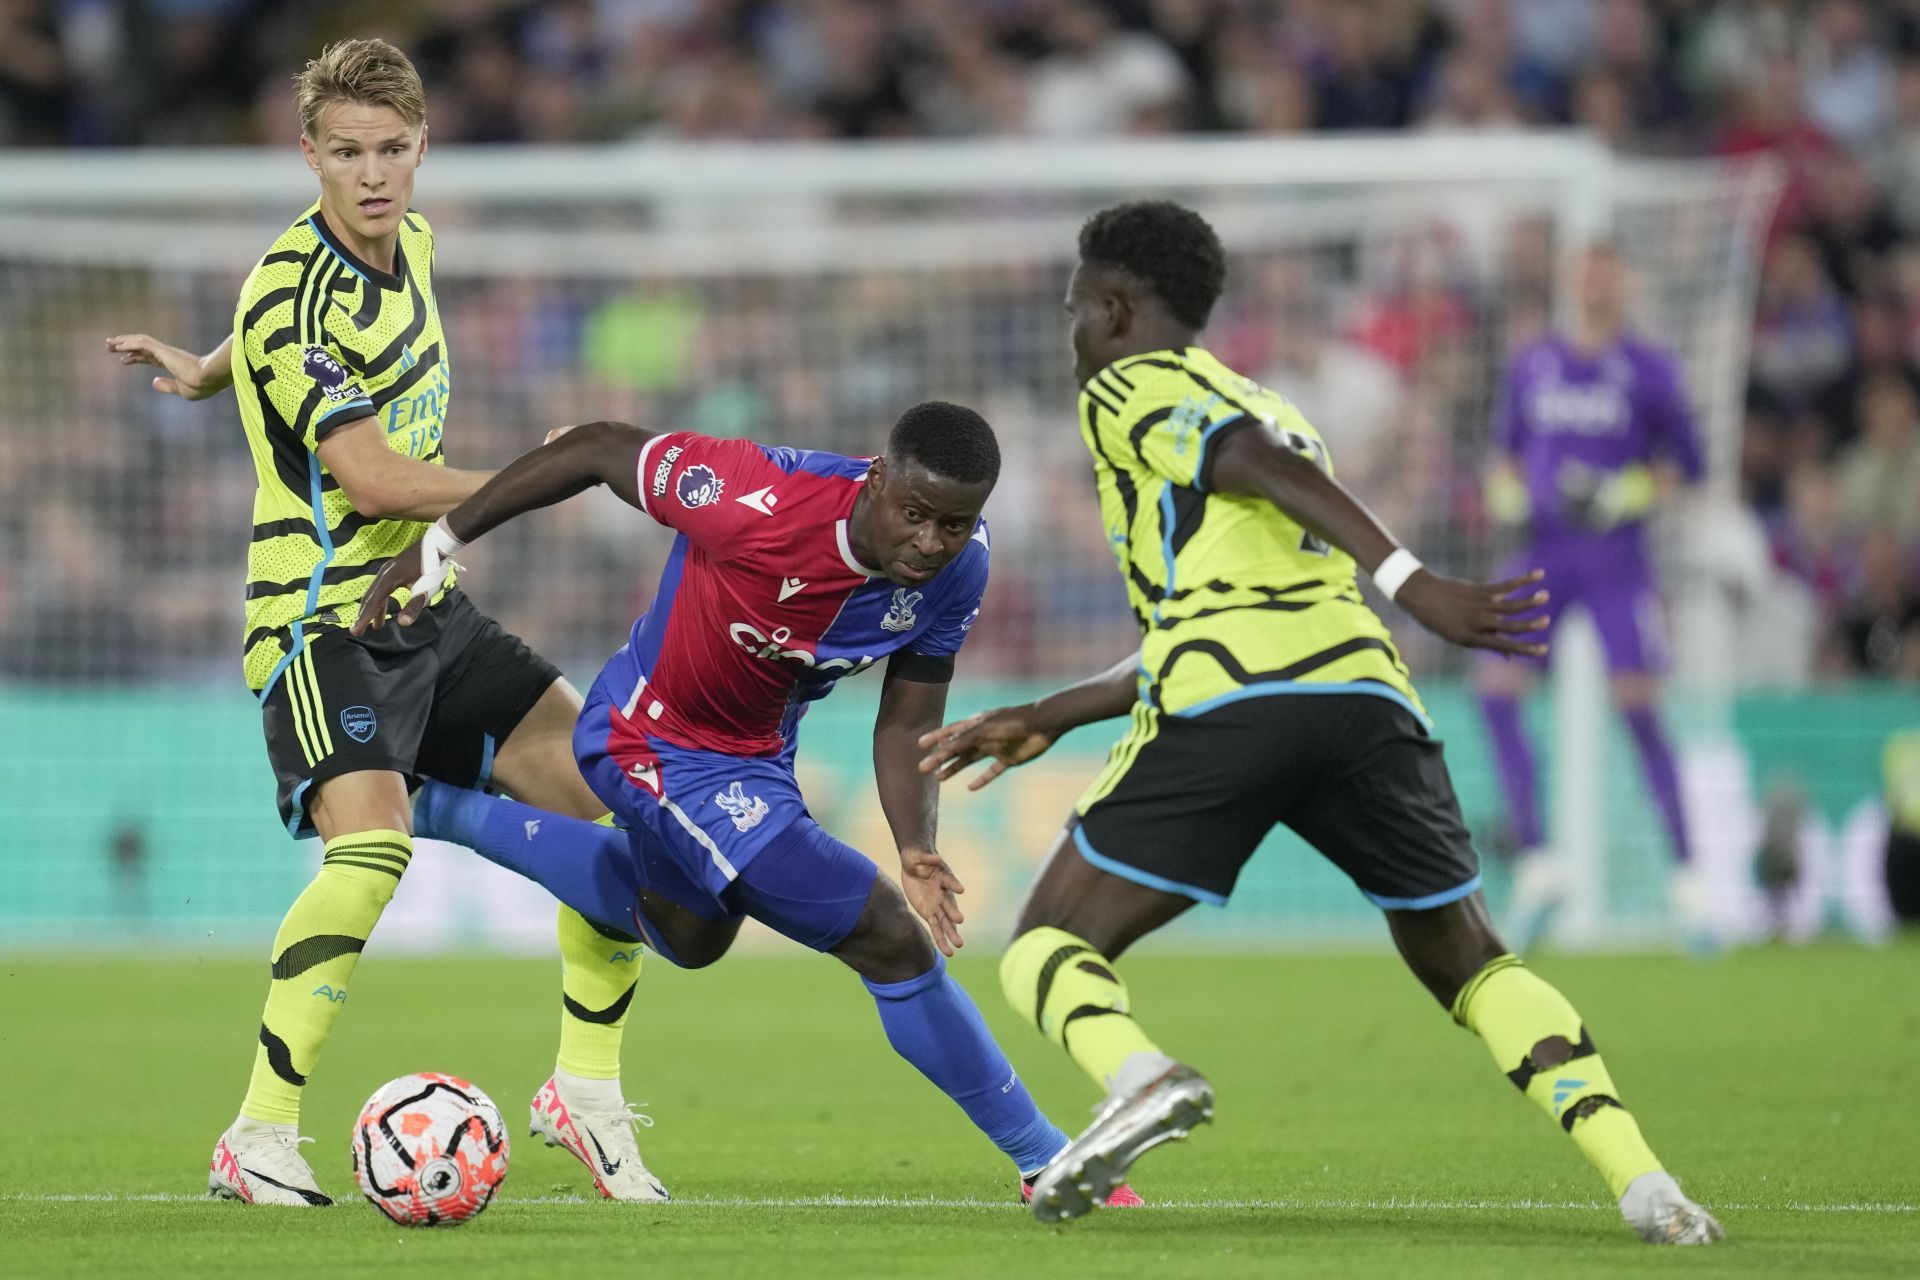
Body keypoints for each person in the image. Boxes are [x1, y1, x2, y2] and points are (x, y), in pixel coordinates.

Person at [915, 201, 1722, 1244]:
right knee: (1475, 961)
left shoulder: (1130, 386)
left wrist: (1413, 577)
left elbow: (1246, 465)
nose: (1072, 332)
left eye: (1078, 308)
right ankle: (1648, 1184)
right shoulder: (1276, 402)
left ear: (1116, 307)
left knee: (1046, 946)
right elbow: (1241, 586)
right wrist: (1058, 712)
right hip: (1363, 700)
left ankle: (1143, 1077)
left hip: (1235, 704)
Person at [105, 39, 662, 1206]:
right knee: (371, 851)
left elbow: (276, 357)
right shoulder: (288, 292)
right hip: (319, 621)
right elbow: (369, 477)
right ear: (309, 154)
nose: (372, 176)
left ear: (421, 149)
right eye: (347, 153)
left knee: (621, 813)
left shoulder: (411, 243)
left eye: (393, 151)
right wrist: (549, 470)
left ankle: (586, 1093)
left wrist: (208, 374)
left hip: (427, 607)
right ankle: (256, 1133)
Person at [350, 404, 1139, 1205]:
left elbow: (909, 716)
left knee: (690, 935)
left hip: (758, 758)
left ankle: (438, 806)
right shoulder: (753, 494)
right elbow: (593, 448)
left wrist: (914, 844)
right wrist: (436, 544)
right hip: (651, 740)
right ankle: (1049, 1159)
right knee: (887, 938)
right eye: (915, 515)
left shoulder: (962, 567)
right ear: (877, 478)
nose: (932, 542)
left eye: (956, 523)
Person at [1476, 243, 1707, 950]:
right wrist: (1508, 493)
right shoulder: (1534, 362)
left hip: (1616, 561)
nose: (1595, 281)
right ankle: (1540, 865)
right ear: (1571, 280)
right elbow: (1504, 454)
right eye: (1585, 269)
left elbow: (1692, 465)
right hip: (1544, 555)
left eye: (1608, 269)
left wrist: (1628, 491)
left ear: (1624, 281)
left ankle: (1690, 884)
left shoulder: (1648, 369)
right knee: (1496, 691)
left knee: (1637, 706)